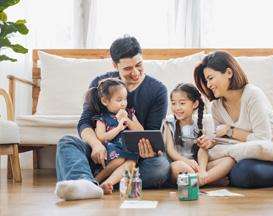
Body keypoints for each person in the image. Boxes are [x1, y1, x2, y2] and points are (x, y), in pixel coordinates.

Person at [55, 36, 170, 200]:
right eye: (128, 68)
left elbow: (151, 133)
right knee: (67, 143)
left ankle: (89, 181)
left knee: (159, 168)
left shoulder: (158, 90)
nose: (135, 72)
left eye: (139, 65)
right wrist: (96, 145)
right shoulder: (102, 83)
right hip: (102, 153)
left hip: (135, 157)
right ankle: (85, 183)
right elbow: (85, 122)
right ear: (115, 65)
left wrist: (147, 150)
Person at [194, 51, 273, 188]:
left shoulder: (252, 94)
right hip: (242, 158)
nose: (208, 85)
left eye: (210, 78)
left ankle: (217, 174)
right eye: (206, 80)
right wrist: (212, 141)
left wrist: (230, 131)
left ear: (229, 73)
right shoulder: (216, 107)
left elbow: (262, 140)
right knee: (238, 169)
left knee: (243, 172)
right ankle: (216, 174)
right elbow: (224, 142)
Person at [162, 83, 230, 187]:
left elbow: (204, 149)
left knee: (229, 160)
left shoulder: (204, 122)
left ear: (195, 104)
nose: (177, 108)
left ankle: (199, 180)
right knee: (180, 167)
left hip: (198, 164)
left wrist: (202, 170)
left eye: (182, 103)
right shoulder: (169, 122)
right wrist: (188, 162)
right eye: (173, 103)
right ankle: (206, 180)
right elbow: (171, 151)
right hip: (178, 165)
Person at [85, 78, 142, 194]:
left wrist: (127, 120)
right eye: (119, 100)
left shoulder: (129, 113)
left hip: (129, 150)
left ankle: (107, 184)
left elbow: (140, 131)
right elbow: (101, 137)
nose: (123, 103)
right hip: (113, 150)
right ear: (105, 101)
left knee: (131, 163)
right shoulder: (102, 118)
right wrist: (118, 128)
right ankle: (96, 180)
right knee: (119, 159)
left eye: (125, 99)